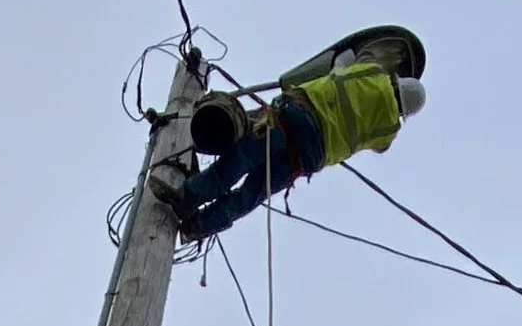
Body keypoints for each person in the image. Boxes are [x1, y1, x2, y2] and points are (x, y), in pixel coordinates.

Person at [162, 56, 426, 240]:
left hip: (295, 117)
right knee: (251, 193)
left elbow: (342, 64)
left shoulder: (373, 72)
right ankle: (198, 227)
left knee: (239, 159)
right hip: (308, 156)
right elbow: (380, 148)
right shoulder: (390, 131)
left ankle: (188, 197)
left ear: (397, 81)